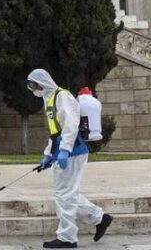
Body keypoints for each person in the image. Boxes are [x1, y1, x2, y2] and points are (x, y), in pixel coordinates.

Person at [27, 69, 112, 249]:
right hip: (63, 150)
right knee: (67, 193)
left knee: (64, 195)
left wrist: (64, 151)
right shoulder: (49, 99)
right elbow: (55, 132)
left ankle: (67, 238)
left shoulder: (62, 96)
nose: (33, 89)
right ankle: (100, 218)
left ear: (42, 82)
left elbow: (71, 126)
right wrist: (48, 155)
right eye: (30, 86)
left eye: (34, 84)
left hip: (72, 151)